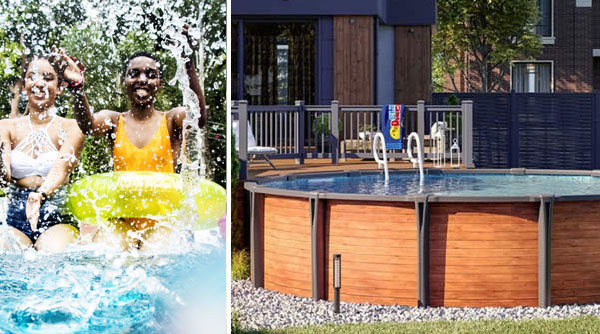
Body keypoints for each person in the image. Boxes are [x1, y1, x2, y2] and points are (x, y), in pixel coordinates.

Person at [63, 27, 206, 250]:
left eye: (151, 75)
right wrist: (77, 88)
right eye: (134, 73)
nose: (142, 80)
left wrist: (188, 62)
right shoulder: (113, 120)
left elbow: (198, 117)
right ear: (124, 82)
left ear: (160, 83)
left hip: (162, 222)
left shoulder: (170, 121)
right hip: (122, 220)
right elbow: (88, 125)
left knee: (157, 255)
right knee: (107, 253)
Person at [0, 55, 85, 253]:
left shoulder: (72, 127)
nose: (39, 83)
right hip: (14, 216)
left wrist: (40, 194)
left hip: (56, 216)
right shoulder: (5, 126)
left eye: (48, 78)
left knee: (51, 255)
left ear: (60, 87)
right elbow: (4, 175)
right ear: (24, 85)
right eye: (33, 77)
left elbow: (61, 170)